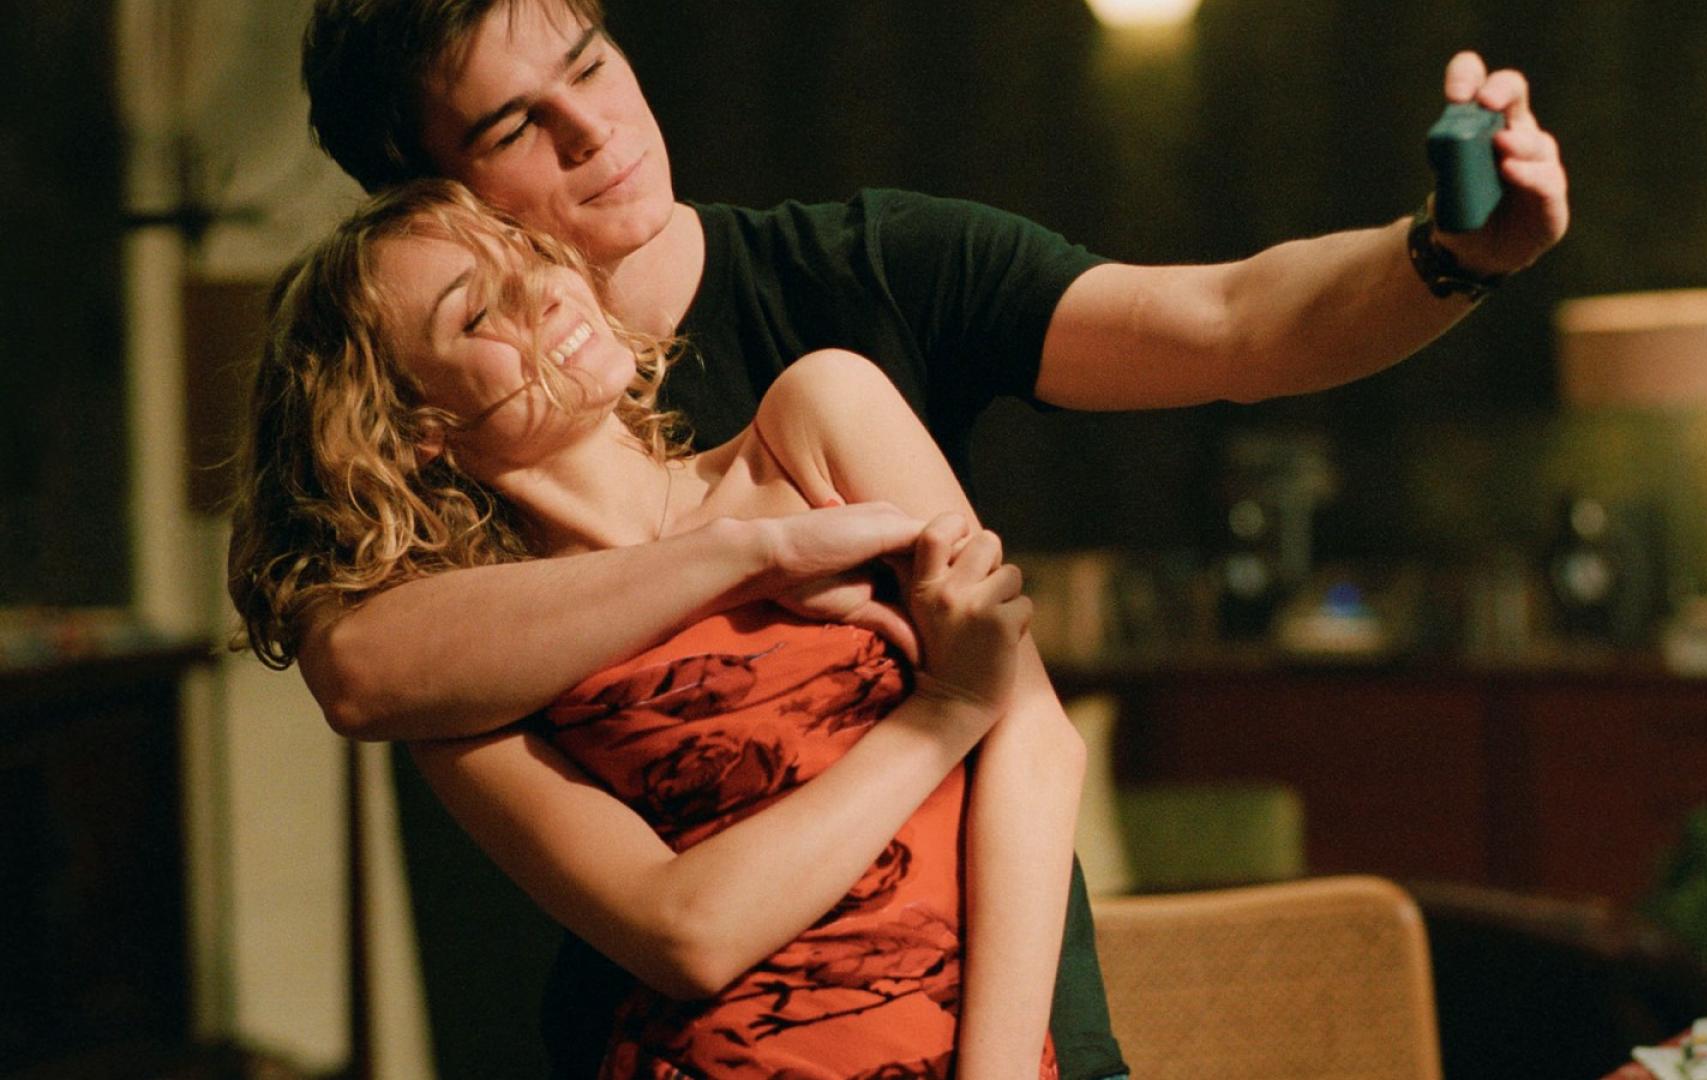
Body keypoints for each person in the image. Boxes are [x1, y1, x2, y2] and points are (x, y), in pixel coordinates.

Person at [292, 2, 1569, 1077]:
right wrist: (752, 556)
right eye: (514, 124)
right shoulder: (431, 505)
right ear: (424, 192)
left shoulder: (856, 295)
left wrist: (1446, 256)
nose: (592, 127)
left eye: (589, 62)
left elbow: (1230, 322)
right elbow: (359, 670)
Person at [230, 177, 1086, 1078]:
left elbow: (1036, 747)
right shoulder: (470, 668)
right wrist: (943, 704)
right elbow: (689, 935)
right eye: (478, 312)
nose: (542, 293)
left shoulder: (812, 423)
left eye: (528, 255)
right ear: (417, 428)